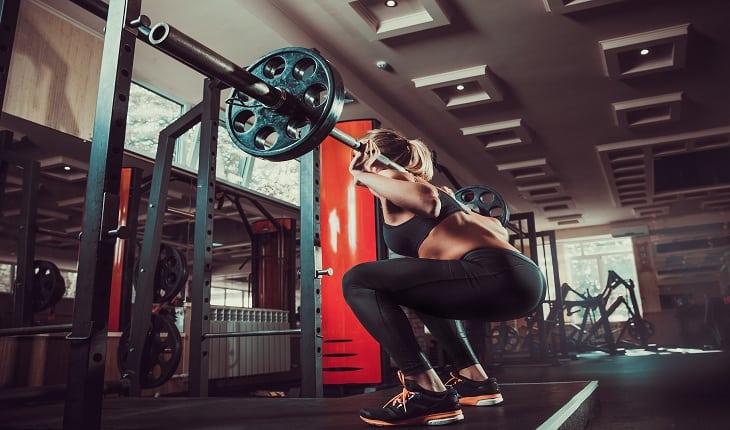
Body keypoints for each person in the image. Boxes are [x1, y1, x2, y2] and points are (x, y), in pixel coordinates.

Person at [342, 128, 546, 427]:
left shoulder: (402, 180)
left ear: (371, 156)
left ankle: (425, 389)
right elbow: (497, 229)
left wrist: (361, 175)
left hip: (491, 274)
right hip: (524, 279)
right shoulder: (446, 198)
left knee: (358, 280)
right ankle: (475, 380)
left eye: (359, 155)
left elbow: (428, 203)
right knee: (421, 289)